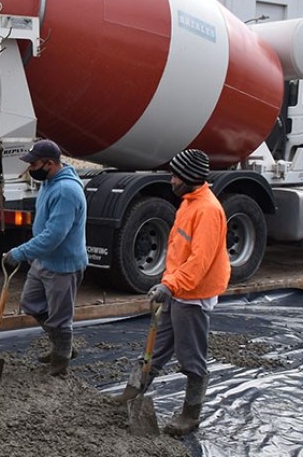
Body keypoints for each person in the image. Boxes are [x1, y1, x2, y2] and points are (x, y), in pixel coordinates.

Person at [113, 148, 230, 436]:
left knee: (191, 356)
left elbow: (199, 261)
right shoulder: (188, 203)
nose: (172, 180)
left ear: (190, 177)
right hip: (178, 290)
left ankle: (191, 415)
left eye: (176, 175)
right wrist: (167, 283)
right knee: (156, 348)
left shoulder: (208, 210)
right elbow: (179, 252)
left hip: (194, 294)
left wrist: (171, 285)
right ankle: (132, 394)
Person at [3, 139, 88, 376]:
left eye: (34, 164)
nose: (30, 169)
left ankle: (60, 364)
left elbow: (54, 236)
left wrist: (20, 252)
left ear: (49, 164)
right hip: (43, 261)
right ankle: (63, 346)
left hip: (63, 265)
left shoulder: (66, 191)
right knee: (30, 303)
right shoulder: (49, 183)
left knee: (60, 318)